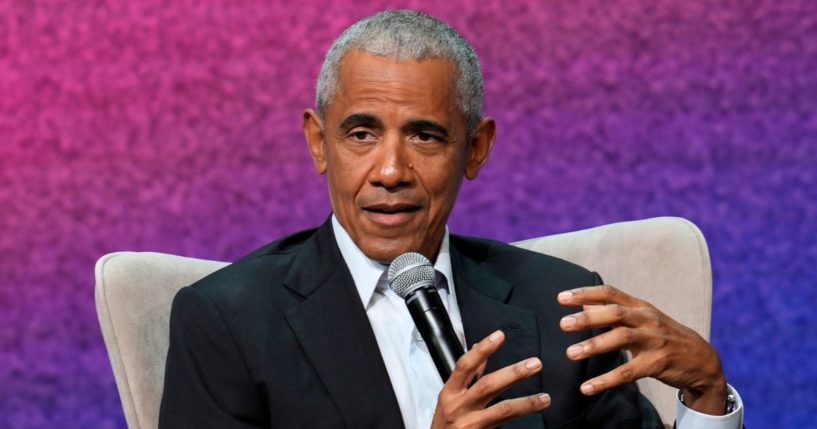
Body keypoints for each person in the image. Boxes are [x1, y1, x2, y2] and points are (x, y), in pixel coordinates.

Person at [159, 10, 743, 429]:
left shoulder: (563, 302)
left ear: (476, 149)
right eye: (361, 134)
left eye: (425, 135)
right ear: (319, 143)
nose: (391, 170)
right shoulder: (227, 320)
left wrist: (707, 395)